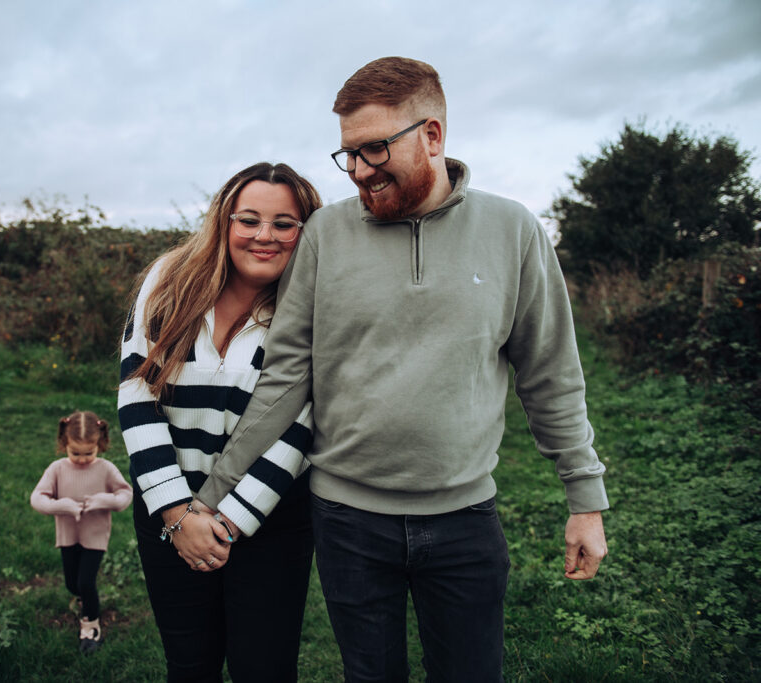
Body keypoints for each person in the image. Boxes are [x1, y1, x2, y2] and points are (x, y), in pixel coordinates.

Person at [197, 57, 610, 682]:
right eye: (348, 155)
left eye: (373, 150)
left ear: (433, 135)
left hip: (466, 520)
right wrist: (210, 496)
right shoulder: (325, 235)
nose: (359, 171)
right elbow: (284, 378)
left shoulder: (514, 231)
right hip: (346, 521)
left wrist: (585, 501)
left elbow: (550, 374)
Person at [117, 162, 322, 682]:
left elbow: (301, 426)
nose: (264, 236)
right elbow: (137, 395)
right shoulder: (169, 282)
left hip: (268, 519)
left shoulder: (314, 306)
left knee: (266, 670)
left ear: (306, 231)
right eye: (248, 220)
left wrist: (224, 526)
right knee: (190, 666)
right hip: (168, 510)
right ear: (224, 221)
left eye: (284, 224)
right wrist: (176, 515)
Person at [30, 409, 133, 653]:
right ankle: (83, 598)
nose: (83, 459)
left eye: (89, 452)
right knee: (72, 583)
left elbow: (125, 494)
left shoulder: (106, 469)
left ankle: (90, 626)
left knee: (86, 582)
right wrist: (60, 506)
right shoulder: (57, 469)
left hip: (95, 536)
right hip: (68, 535)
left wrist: (104, 500)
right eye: (75, 453)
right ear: (64, 443)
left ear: (100, 444)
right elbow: (37, 497)